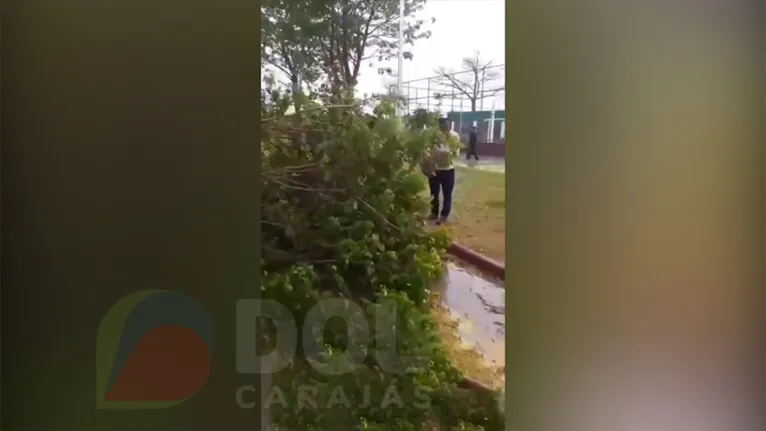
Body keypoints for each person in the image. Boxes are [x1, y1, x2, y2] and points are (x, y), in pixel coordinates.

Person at [428, 118, 461, 225]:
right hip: (434, 169)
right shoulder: (434, 136)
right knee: (434, 193)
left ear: (448, 124)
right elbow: (430, 150)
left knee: (447, 194)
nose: (442, 126)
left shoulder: (454, 136)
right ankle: (433, 213)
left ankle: (444, 215)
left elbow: (456, 152)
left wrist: (447, 152)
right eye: (440, 124)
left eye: (444, 124)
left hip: (448, 169)